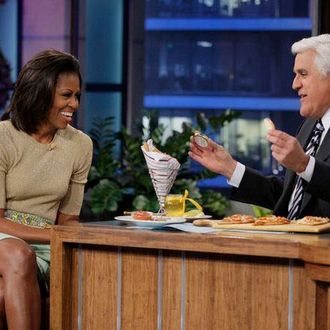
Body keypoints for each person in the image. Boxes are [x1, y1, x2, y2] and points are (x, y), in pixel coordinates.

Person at [189, 34, 330, 220]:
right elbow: (290, 197)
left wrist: (304, 164)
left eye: (303, 74)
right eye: (295, 75)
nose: (295, 84)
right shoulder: (309, 126)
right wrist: (230, 168)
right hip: (288, 245)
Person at [0, 49, 93, 329]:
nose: (74, 104)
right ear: (40, 92)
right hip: (7, 239)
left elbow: (69, 220)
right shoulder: (4, 137)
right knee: (17, 253)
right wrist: (53, 234)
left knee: (5, 295)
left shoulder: (80, 145)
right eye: (66, 95)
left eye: (77, 96)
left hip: (46, 247)